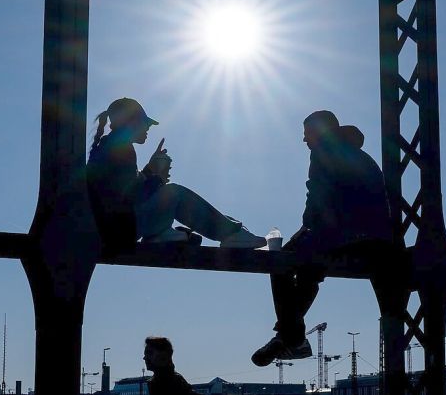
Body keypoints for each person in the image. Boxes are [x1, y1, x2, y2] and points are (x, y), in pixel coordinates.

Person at [252, 112, 395, 366]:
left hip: (346, 235)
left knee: (279, 259)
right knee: (308, 268)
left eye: (307, 133)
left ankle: (291, 336)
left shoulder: (323, 152)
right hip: (375, 240)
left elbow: (318, 197)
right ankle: (290, 337)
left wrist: (306, 230)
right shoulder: (355, 154)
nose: (304, 139)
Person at [86, 98, 266, 255]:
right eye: (145, 122)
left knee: (171, 193)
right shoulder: (121, 149)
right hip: (121, 232)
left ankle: (161, 233)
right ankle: (230, 234)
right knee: (175, 193)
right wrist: (158, 178)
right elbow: (131, 198)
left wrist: (150, 170)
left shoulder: (110, 146)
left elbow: (125, 189)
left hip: (115, 230)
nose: (148, 127)